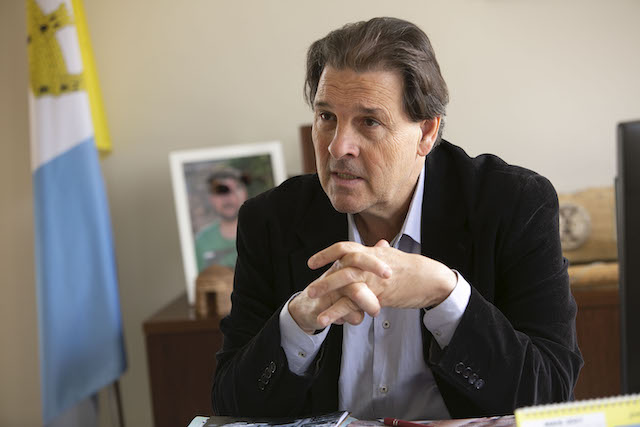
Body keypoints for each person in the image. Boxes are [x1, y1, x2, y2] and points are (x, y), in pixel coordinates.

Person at [212, 17, 582, 420]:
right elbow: (230, 408)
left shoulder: (513, 205)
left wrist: (446, 296)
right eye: (326, 117)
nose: (338, 147)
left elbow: (550, 395)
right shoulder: (271, 220)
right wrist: (297, 323)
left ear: (426, 132)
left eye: (369, 121)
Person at [194, 167, 248, 271]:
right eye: (220, 191)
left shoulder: (264, 232)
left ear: (244, 193)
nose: (228, 197)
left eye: (236, 189)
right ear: (211, 198)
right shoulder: (202, 242)